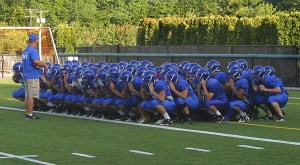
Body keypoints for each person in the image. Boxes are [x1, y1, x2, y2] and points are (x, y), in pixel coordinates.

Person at [22, 34, 48, 119]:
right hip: (32, 75)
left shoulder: (25, 50)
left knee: (27, 95)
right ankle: (29, 114)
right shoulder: (33, 50)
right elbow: (36, 62)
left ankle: (27, 113)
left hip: (27, 75)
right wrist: (44, 65)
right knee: (31, 96)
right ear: (35, 41)